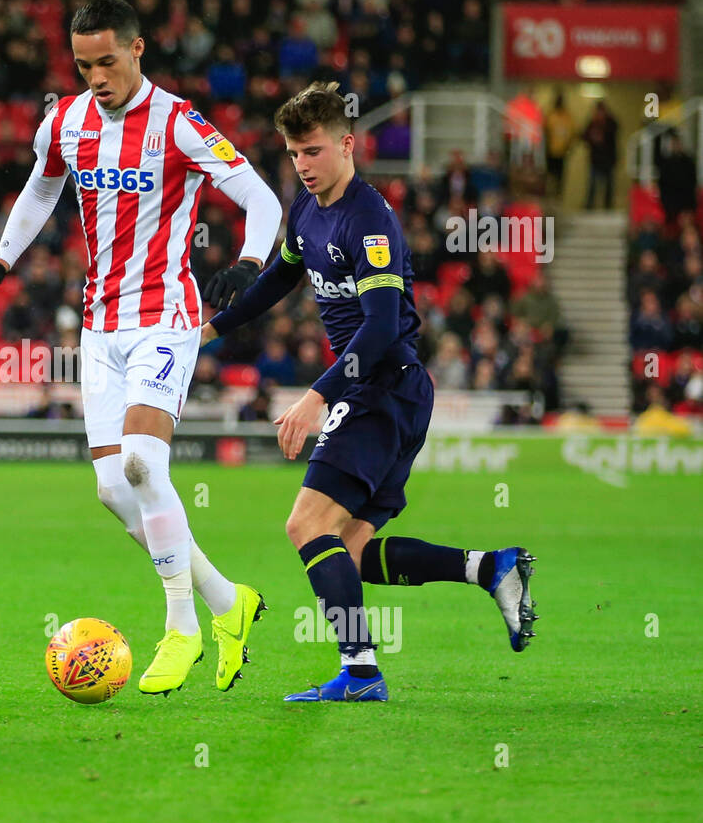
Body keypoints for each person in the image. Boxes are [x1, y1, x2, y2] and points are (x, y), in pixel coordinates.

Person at [0, 0, 281, 696]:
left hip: (165, 315)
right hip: (99, 325)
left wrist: (251, 265)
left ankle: (182, 628)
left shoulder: (180, 122)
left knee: (140, 462)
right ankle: (230, 602)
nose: (96, 76)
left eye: (108, 61)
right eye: (83, 65)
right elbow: (38, 192)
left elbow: (262, 199)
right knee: (112, 489)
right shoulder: (66, 121)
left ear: (138, 50)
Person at [202, 82, 538, 703]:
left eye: (313, 151)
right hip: (392, 395)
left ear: (347, 144)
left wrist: (320, 395)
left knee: (305, 526)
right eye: (294, 154)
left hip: (381, 388)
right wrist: (211, 330)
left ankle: (360, 673)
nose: (302, 165)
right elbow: (281, 276)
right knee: (347, 553)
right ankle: (490, 567)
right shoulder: (306, 209)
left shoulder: (369, 219)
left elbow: (382, 326)